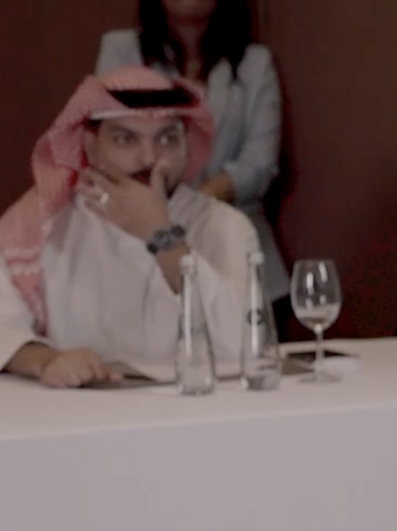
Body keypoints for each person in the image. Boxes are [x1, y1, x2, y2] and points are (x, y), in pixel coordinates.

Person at [0, 68, 256, 388]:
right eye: (125, 139)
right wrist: (46, 361)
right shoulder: (43, 223)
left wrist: (161, 236)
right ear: (91, 146)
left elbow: (248, 344)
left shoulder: (224, 225)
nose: (149, 158)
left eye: (167, 139)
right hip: (81, 409)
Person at [98, 0, 287, 320]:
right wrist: (156, 218)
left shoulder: (255, 63)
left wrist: (190, 208)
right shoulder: (122, 49)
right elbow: (112, 136)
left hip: (238, 256)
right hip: (136, 256)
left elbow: (258, 165)